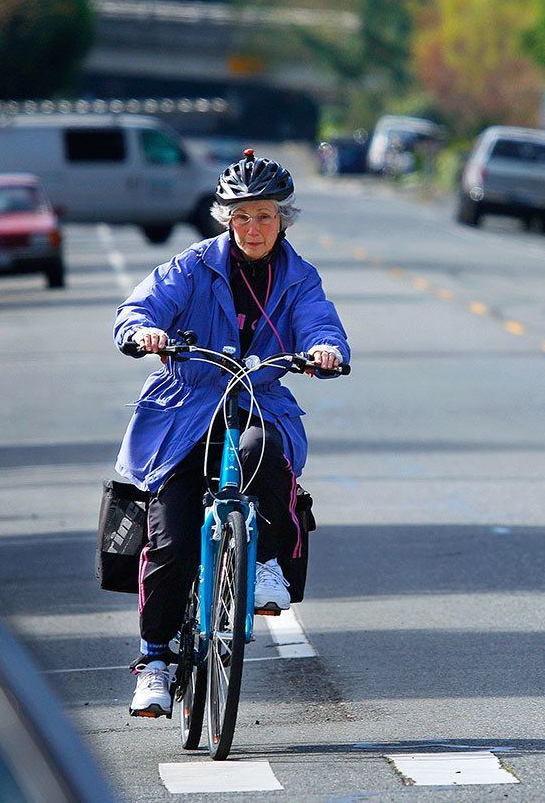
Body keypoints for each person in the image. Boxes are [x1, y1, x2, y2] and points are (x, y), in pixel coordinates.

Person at [112, 150, 349, 717]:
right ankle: (155, 663)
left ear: (283, 219)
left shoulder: (299, 276)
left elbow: (320, 322)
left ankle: (264, 564)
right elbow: (138, 309)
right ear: (225, 218)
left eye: (265, 216)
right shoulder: (191, 267)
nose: (253, 228)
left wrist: (325, 351)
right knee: (168, 540)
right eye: (242, 216)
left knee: (262, 449)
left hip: (258, 404)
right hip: (187, 409)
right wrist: (144, 332)